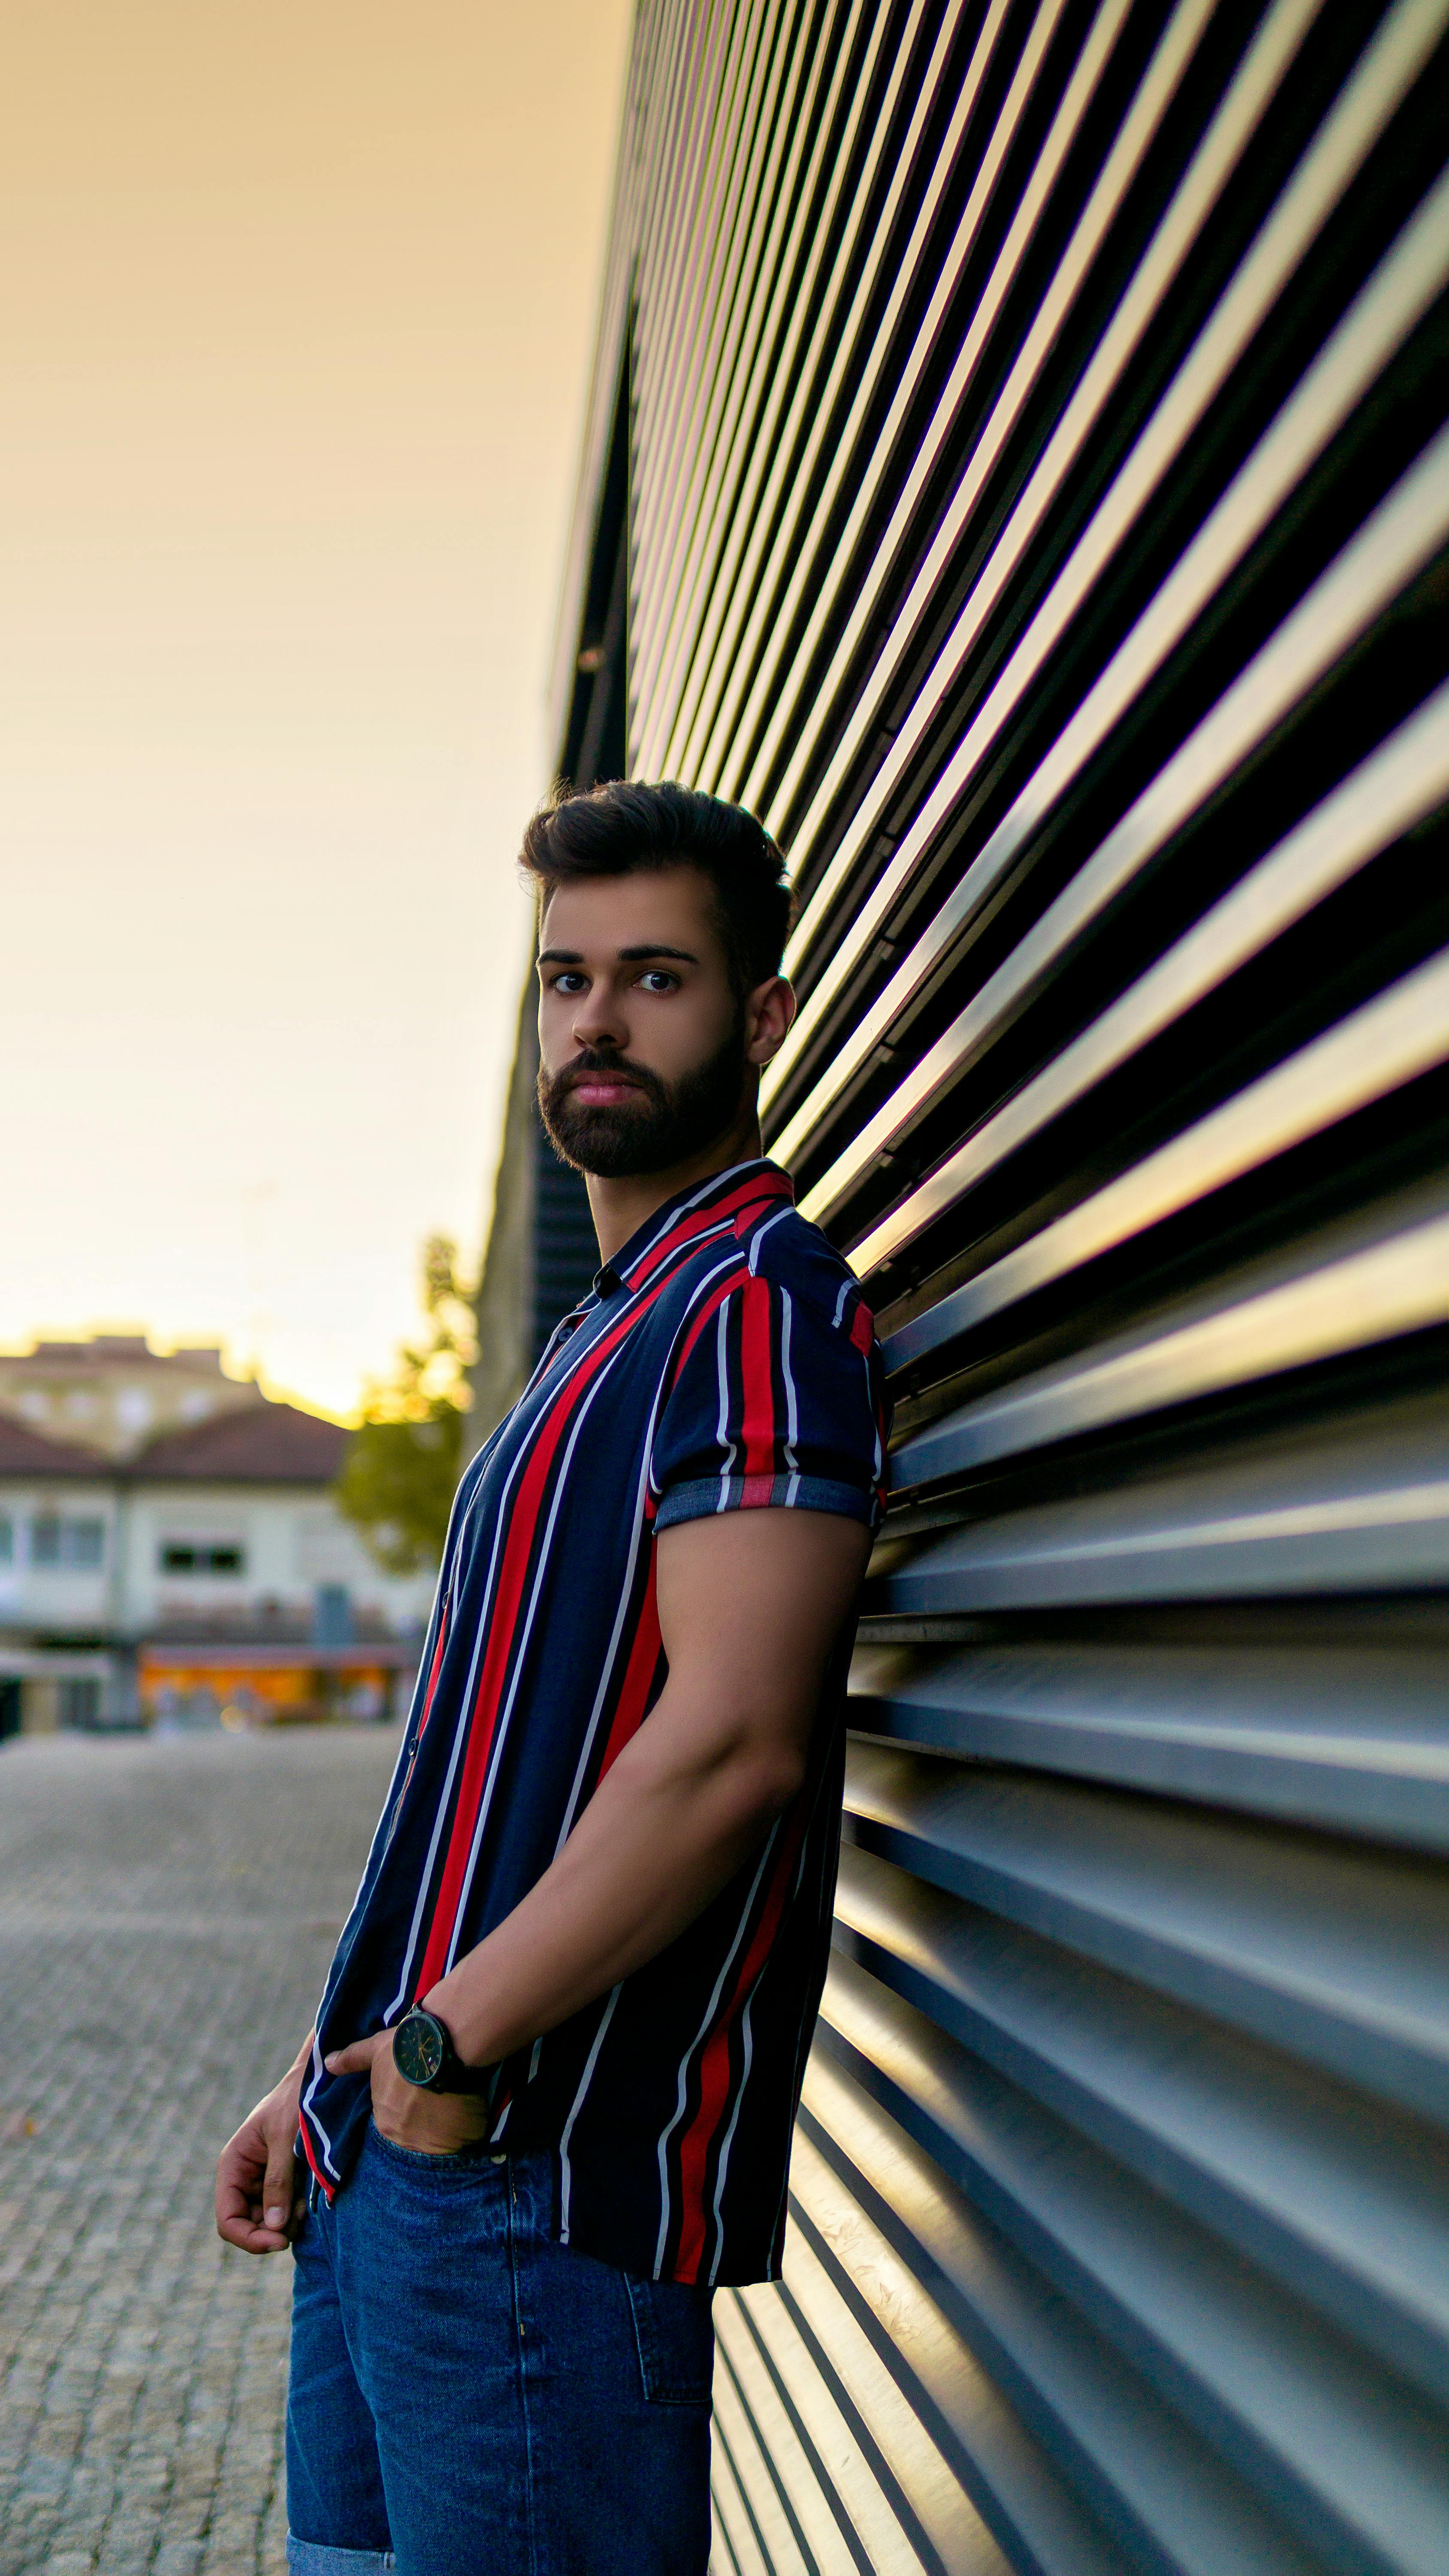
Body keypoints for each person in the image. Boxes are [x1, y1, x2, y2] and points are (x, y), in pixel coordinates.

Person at [215, 779, 889, 2576]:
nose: (595, 1019)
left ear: (755, 1020)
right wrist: (337, 2061)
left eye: (653, 978)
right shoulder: (597, 1333)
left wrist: (447, 2056)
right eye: (565, 978)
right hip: (397, 2161)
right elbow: (478, 1770)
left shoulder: (755, 1301)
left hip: (533, 2184)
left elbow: (734, 1743)